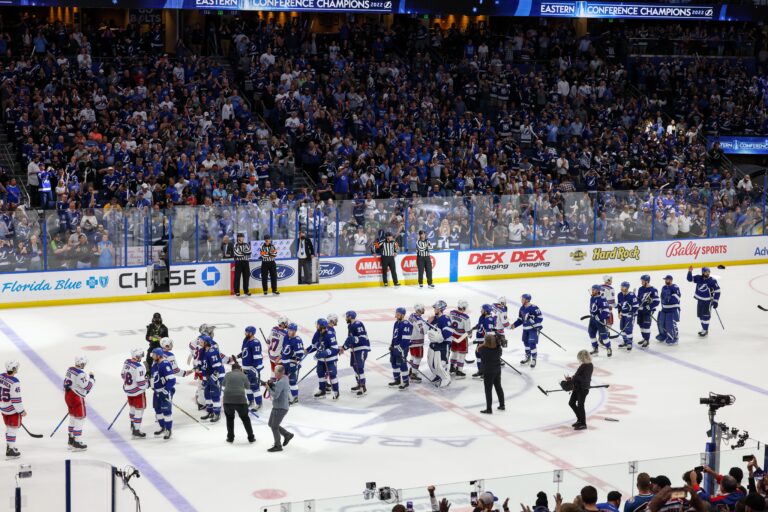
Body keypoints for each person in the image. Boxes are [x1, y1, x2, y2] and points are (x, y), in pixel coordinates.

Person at [63, 355, 95, 450]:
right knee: (80, 418)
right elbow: (87, 387)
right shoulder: (81, 374)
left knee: (72, 416)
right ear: (81, 363)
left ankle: (71, 439)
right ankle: (77, 441)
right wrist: (92, 378)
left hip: (68, 395)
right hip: (76, 397)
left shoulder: (70, 369)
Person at [222, 361, 255, 444]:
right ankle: (251, 437)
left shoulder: (227, 374)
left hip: (227, 400)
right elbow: (248, 387)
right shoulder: (243, 375)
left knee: (229, 419)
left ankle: (230, 438)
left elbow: (223, 384)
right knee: (245, 419)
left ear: (232, 369)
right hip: (240, 400)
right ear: (240, 369)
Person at [339, 311, 370, 397]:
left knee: (359, 367)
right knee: (355, 366)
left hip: (361, 348)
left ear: (350, 317)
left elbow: (359, 338)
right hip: (355, 349)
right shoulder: (350, 325)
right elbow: (350, 339)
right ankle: (359, 383)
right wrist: (344, 347)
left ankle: (363, 387)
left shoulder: (358, 324)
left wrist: (343, 348)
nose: (345, 318)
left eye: (347, 317)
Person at [307, 318, 340, 399]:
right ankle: (322, 390)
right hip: (321, 360)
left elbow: (335, 348)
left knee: (332, 375)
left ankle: (336, 391)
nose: (316, 326)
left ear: (321, 326)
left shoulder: (330, 334)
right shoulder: (317, 333)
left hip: (331, 359)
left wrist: (325, 352)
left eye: (317, 324)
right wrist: (307, 351)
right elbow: (314, 345)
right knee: (320, 374)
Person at [265, 365, 294, 452]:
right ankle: (287, 434)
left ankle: (278, 445)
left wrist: (268, 388)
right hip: (277, 406)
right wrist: (272, 385)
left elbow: (275, 396)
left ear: (280, 373)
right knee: (271, 424)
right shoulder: (284, 378)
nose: (274, 374)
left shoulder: (281, 382)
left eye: (276, 373)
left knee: (274, 426)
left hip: (281, 408)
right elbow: (278, 389)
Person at [121, 349, 148, 438]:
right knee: (139, 410)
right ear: (137, 356)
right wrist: (148, 383)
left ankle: (132, 423)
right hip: (137, 392)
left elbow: (122, 375)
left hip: (128, 390)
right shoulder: (139, 367)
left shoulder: (126, 362)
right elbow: (141, 384)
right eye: (140, 356)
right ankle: (136, 430)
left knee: (132, 407)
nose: (141, 357)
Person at [510, 293, 543, 368]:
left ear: (527, 300)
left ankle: (534, 358)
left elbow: (540, 318)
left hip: (532, 329)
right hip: (525, 329)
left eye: (523, 299)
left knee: (532, 343)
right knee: (525, 343)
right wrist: (514, 325)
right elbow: (520, 319)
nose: (521, 300)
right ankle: (528, 356)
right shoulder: (522, 308)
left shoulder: (534, 307)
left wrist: (535, 323)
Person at [686, 266, 721, 337]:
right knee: (700, 316)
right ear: (702, 272)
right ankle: (704, 328)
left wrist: (715, 301)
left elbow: (718, 291)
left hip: (708, 301)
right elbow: (689, 279)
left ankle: (705, 329)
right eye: (705, 272)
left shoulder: (712, 280)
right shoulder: (698, 278)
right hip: (700, 300)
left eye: (708, 272)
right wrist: (690, 271)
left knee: (706, 316)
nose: (707, 273)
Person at [150, 348, 176, 440]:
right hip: (156, 392)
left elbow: (172, 380)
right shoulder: (155, 364)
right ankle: (163, 427)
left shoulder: (165, 365)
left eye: (153, 355)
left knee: (166, 412)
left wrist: (165, 391)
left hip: (165, 392)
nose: (152, 356)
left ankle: (168, 430)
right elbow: (154, 376)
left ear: (158, 355)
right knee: (157, 410)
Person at [1, 360, 25, 458]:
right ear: (14, 369)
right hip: (12, 410)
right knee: (13, 429)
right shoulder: (15, 382)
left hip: (3, 407)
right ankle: (10, 451)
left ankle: (9, 446)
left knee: (8, 427)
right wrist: (21, 411)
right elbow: (16, 399)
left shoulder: (1, 376)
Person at [565, 349, 593, 430]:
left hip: (583, 389)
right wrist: (571, 379)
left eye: (580, 358)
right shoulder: (583, 365)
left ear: (583, 358)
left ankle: (583, 423)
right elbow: (578, 376)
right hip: (577, 387)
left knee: (580, 405)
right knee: (571, 403)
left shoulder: (589, 366)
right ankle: (579, 420)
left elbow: (585, 379)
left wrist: (575, 377)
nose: (579, 360)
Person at [200, 335, 225, 423]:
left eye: (201, 341)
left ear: (206, 342)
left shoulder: (212, 352)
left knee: (215, 394)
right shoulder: (203, 351)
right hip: (208, 376)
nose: (200, 342)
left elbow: (217, 367)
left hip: (216, 375)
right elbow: (203, 366)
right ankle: (210, 412)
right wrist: (204, 378)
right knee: (207, 394)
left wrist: (214, 378)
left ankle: (217, 414)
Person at [427, 300, 452, 387]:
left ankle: (446, 378)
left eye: (436, 308)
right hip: (435, 344)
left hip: (444, 344)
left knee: (442, 362)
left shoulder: (445, 318)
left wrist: (440, 338)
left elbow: (448, 332)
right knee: (432, 362)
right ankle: (437, 375)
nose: (434, 309)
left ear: (441, 309)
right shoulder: (435, 318)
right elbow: (429, 330)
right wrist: (428, 322)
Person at [478, 334, 505, 414]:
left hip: (488, 372)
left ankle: (489, 409)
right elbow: (496, 345)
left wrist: (484, 343)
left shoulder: (483, 349)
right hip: (497, 370)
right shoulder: (498, 349)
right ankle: (502, 405)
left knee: (488, 390)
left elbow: (478, 349)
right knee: (498, 387)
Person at [239, 326, 264, 412]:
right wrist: (238, 355)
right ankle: (251, 401)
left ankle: (259, 403)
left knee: (254, 386)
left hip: (253, 368)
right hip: (246, 367)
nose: (245, 333)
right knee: (247, 386)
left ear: (251, 333)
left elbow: (257, 358)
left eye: (247, 332)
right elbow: (245, 351)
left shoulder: (255, 342)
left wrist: (254, 369)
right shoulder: (246, 340)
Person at [389, 307, 413, 390]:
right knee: (394, 363)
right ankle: (397, 380)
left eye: (398, 314)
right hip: (395, 348)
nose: (396, 315)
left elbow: (406, 339)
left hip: (402, 348)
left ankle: (406, 382)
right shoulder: (396, 323)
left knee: (402, 364)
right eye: (396, 313)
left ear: (402, 315)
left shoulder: (406, 324)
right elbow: (394, 336)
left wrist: (399, 349)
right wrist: (392, 345)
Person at [281, 323, 305, 404]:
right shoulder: (286, 337)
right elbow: (284, 349)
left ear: (295, 331)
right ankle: (288, 397)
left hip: (291, 363)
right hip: (284, 363)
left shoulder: (297, 340)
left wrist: (295, 362)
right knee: (285, 381)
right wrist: (280, 357)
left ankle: (295, 398)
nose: (290, 332)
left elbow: (300, 353)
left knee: (292, 381)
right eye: (289, 330)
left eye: (291, 330)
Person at [472, 304, 498, 378]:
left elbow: (490, 333)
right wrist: (473, 328)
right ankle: (480, 371)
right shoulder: (482, 317)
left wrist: (484, 343)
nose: (481, 311)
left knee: (485, 358)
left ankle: (485, 373)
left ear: (486, 311)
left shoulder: (489, 320)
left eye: (482, 310)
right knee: (478, 355)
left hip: (485, 342)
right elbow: (480, 325)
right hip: (480, 340)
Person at [448, 300, 471, 378]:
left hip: (453, 335)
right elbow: (467, 331)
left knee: (454, 352)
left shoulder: (451, 312)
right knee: (462, 354)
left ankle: (452, 368)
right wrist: (470, 334)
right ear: (464, 308)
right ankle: (459, 371)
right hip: (462, 337)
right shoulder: (466, 318)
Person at [588, 284, 612, 357]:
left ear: (598, 291)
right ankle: (595, 349)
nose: (592, 291)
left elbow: (606, 312)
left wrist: (600, 317)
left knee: (603, 335)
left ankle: (608, 348)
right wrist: (593, 315)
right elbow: (592, 309)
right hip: (592, 320)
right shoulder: (592, 298)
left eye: (594, 290)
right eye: (592, 289)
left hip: (599, 320)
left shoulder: (602, 299)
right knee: (591, 333)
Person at [636, 275, 659, 348]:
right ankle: (644, 338)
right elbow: (639, 299)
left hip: (647, 311)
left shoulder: (653, 290)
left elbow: (656, 301)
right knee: (640, 324)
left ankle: (647, 340)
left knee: (646, 325)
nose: (641, 282)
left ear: (647, 281)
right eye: (641, 281)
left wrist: (648, 307)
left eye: (642, 281)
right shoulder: (640, 289)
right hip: (640, 310)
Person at [657, 275, 681, 344]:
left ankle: (675, 337)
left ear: (671, 280)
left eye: (667, 280)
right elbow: (662, 297)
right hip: (665, 308)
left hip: (673, 308)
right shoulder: (664, 287)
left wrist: (670, 298)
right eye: (665, 280)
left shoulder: (675, 287)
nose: (666, 281)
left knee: (672, 323)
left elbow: (678, 298)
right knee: (662, 322)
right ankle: (664, 335)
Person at [407, 303, 428, 383]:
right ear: (419, 310)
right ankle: (413, 374)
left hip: (411, 341)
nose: (424, 310)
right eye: (422, 309)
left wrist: (424, 323)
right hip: (417, 342)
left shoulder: (412, 316)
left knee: (413, 356)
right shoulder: (418, 319)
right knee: (418, 357)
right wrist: (428, 325)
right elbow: (423, 330)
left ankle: (411, 371)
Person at [617, 282, 638, 351]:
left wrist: (632, 313)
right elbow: (619, 305)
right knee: (622, 329)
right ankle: (625, 341)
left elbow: (635, 306)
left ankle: (629, 343)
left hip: (630, 315)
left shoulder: (632, 295)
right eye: (621, 286)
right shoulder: (619, 295)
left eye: (623, 287)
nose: (622, 288)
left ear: (627, 288)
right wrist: (619, 312)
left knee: (628, 330)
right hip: (623, 315)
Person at [233, 232, 252, 297]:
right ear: (237, 238)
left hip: (246, 262)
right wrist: (245, 252)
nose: (241, 238)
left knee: (246, 277)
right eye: (239, 237)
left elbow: (249, 252)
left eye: (242, 237)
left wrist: (242, 252)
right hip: (238, 263)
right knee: (237, 277)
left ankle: (246, 291)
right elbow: (237, 254)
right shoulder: (235, 245)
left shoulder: (246, 244)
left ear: (243, 238)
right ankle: (237, 291)